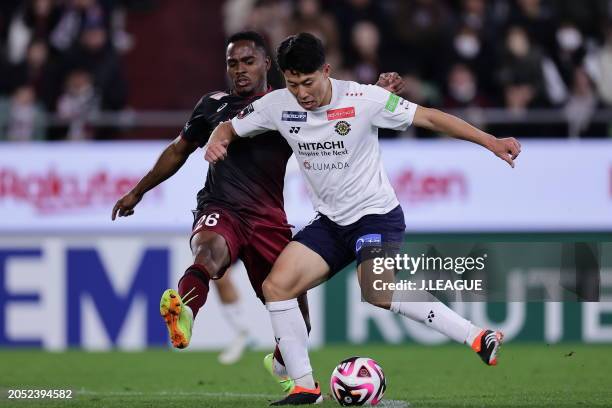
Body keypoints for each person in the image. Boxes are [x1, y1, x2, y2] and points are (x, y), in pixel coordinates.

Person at [205, 32, 521, 405]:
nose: (302, 93)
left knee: (376, 290)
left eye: (308, 82)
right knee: (277, 287)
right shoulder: (276, 105)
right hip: (330, 222)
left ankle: (477, 336)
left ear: (326, 71)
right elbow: (231, 125)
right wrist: (218, 138)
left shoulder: (364, 98)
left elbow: (431, 118)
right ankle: (306, 387)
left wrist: (491, 142)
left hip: (375, 216)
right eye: (293, 84)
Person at [111, 31, 404, 388]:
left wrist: (378, 92)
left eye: (248, 61)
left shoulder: (289, 104)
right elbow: (177, 150)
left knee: (299, 320)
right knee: (208, 253)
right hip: (222, 206)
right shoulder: (212, 106)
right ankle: (185, 311)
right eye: (232, 63)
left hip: (269, 220)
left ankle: (282, 366)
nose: (239, 70)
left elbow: (343, 111)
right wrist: (138, 191)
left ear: (268, 64)